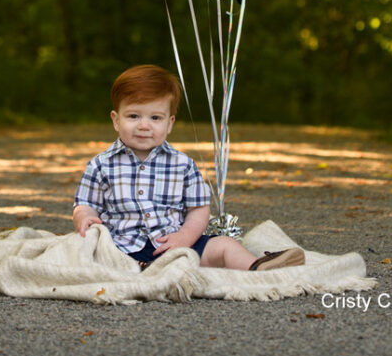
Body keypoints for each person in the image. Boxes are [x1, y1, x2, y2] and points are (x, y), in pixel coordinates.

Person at [72, 64, 305, 272]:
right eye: (133, 116)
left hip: (175, 244)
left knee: (224, 245)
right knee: (82, 248)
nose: (144, 125)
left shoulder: (182, 165)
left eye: (155, 118)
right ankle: (137, 269)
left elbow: (199, 210)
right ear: (116, 120)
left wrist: (185, 237)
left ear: (169, 123)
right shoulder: (101, 164)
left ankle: (256, 268)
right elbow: (85, 204)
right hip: (119, 247)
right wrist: (85, 218)